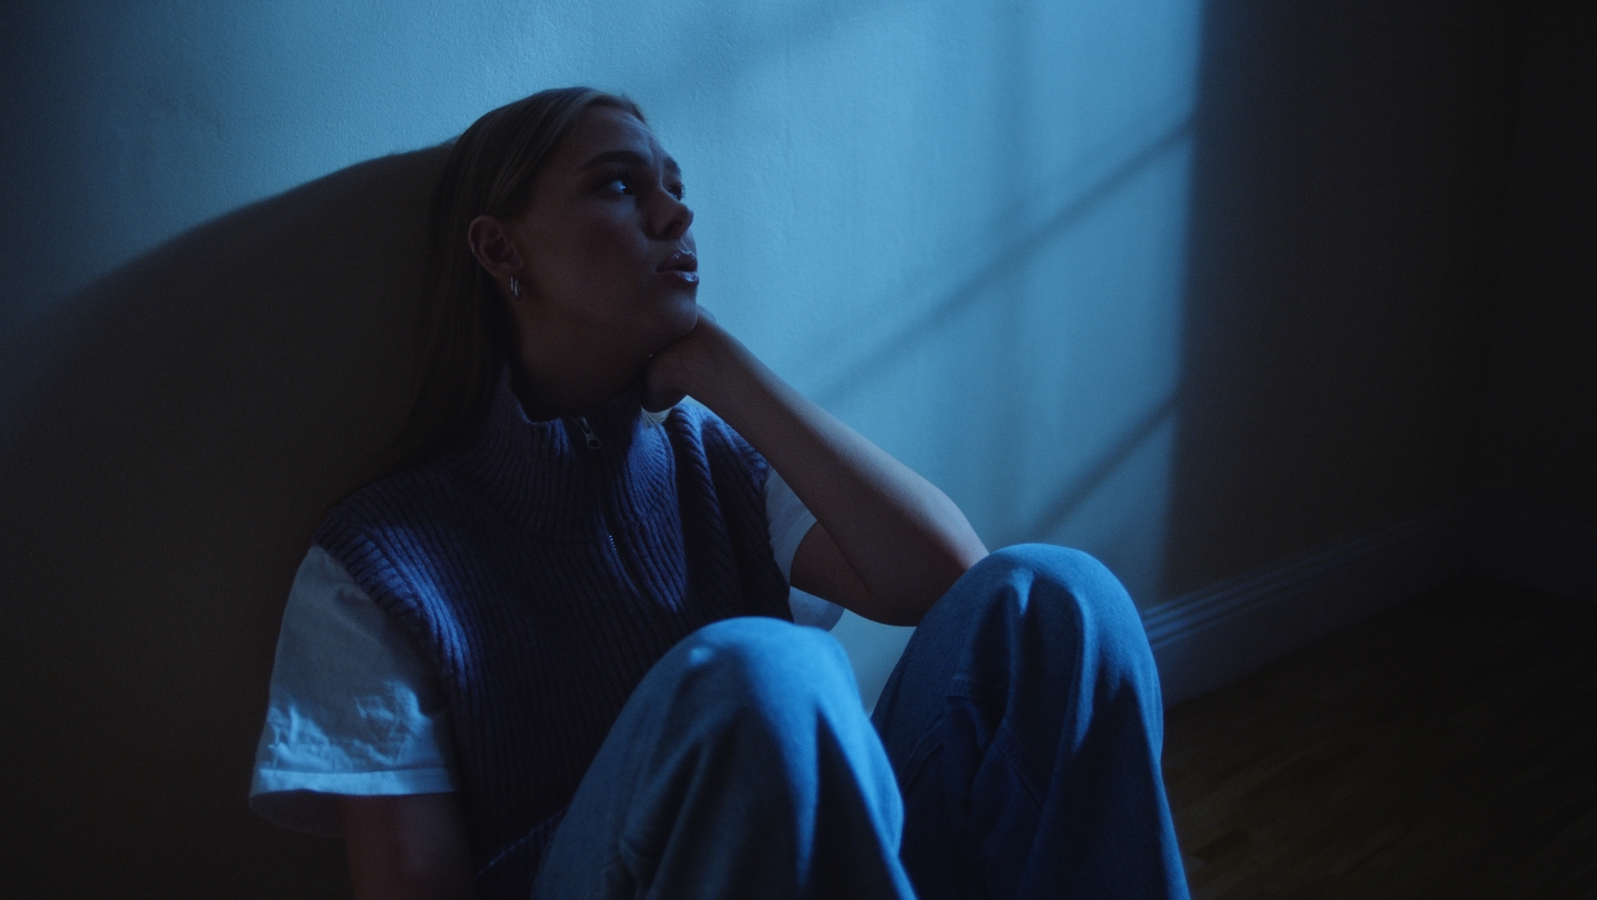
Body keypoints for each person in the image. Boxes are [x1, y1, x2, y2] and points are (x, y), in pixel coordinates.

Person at [250, 87, 1190, 900]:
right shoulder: (374, 563)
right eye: (618, 185)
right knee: (768, 673)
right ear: (500, 250)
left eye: (675, 189)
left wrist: (722, 368)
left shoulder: (712, 461)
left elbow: (952, 577)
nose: (672, 216)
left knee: (1057, 598)